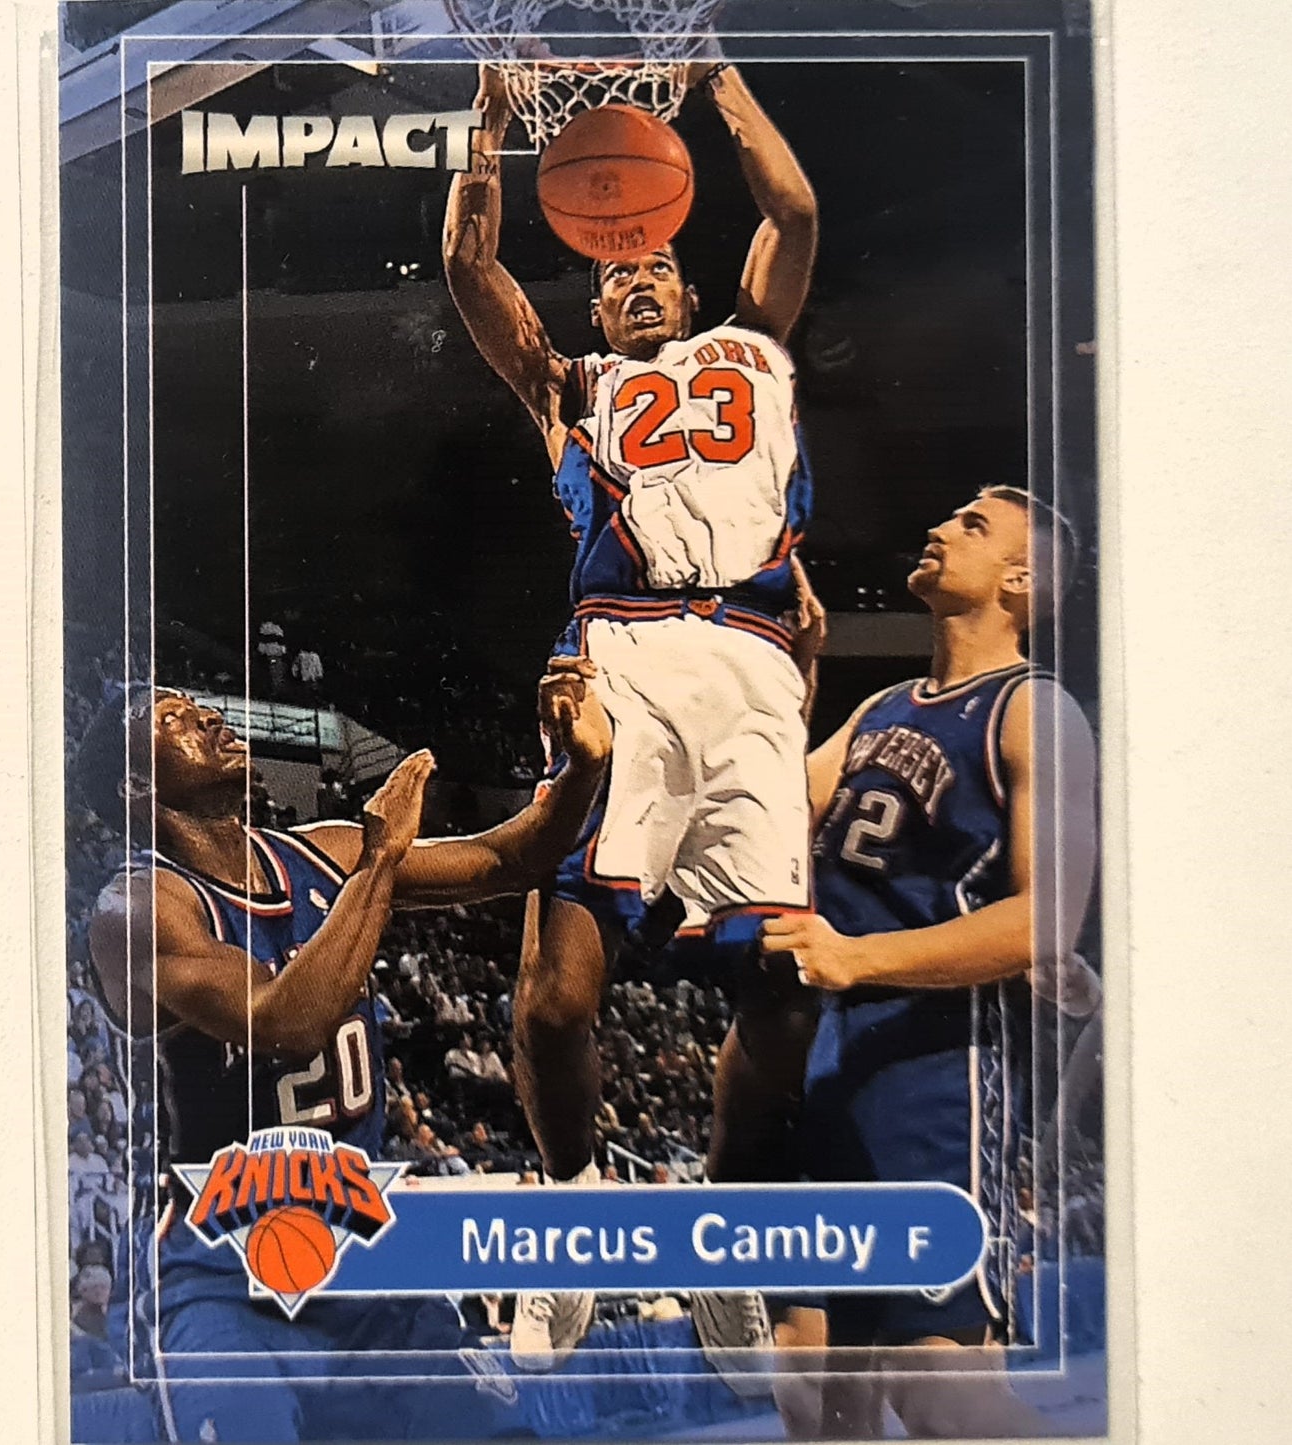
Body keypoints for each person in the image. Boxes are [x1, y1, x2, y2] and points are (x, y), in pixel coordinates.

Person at [444, 58, 819, 1370]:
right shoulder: (572, 388)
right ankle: (575, 1214)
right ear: (597, 303)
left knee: (782, 988)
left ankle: (717, 1229)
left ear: (693, 290)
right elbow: (469, 268)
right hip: (620, 656)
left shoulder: (754, 347)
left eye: (658, 264)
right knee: (553, 999)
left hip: (753, 662)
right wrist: (488, 123)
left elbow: (793, 212)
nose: (640, 278)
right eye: (618, 274)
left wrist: (714, 79)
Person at [83, 664, 611, 1443]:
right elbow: (284, 1020)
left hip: (364, 1261)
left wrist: (582, 767)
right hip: (223, 1279)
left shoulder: (323, 852)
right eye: (173, 719)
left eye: (197, 706)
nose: (206, 717)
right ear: (135, 786)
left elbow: (510, 859)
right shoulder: (135, 908)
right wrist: (381, 862)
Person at [762, 488, 1098, 1438]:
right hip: (829, 1055)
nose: (941, 527)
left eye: (972, 525)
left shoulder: (1034, 710)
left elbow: (1045, 921)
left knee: (937, 1389)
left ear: (1019, 580)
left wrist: (856, 957)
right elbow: (771, 808)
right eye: (948, 516)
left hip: (939, 1069)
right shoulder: (880, 708)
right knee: (813, 1388)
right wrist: (785, 675)